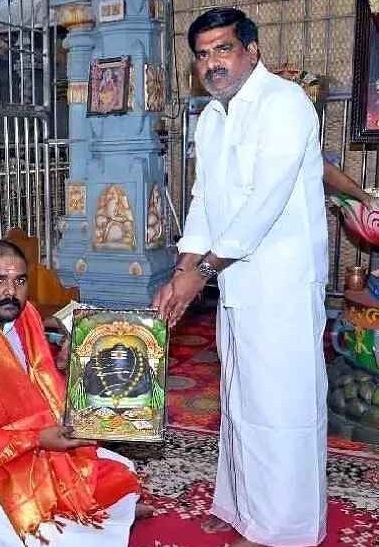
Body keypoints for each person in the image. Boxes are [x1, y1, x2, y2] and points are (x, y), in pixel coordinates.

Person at [153, 8, 327, 547]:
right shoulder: (211, 118)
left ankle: (281, 529)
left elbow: (262, 205)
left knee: (280, 406)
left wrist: (200, 273)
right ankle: (243, 509)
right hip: (235, 283)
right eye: (203, 54)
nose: (212, 63)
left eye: (223, 49)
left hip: (280, 284)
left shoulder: (285, 104)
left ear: (252, 50)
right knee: (240, 399)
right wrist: (183, 270)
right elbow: (205, 202)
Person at [0, 240, 146, 547]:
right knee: (50, 535)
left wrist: (74, 370)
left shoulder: (25, 316)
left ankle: (113, 516)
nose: (11, 292)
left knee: (120, 468)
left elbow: (38, 385)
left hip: (33, 440)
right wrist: (34, 439)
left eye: (19, 281)